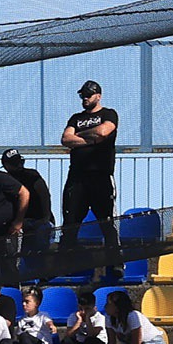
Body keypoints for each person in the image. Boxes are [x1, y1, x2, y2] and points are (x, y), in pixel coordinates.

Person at [60, 78, 122, 237]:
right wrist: (91, 138)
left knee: (107, 224)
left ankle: (114, 261)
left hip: (100, 176)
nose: (85, 98)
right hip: (77, 178)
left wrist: (79, 136)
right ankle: (67, 259)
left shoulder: (108, 114)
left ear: (98, 96)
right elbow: (66, 139)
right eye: (83, 96)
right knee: (70, 223)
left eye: (89, 95)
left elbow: (103, 131)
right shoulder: (76, 118)